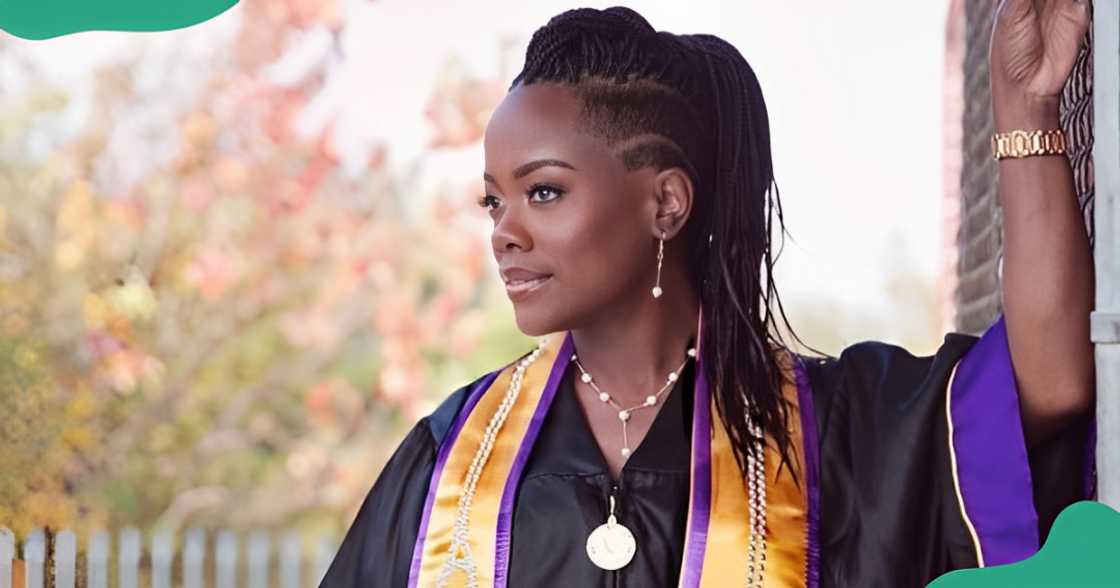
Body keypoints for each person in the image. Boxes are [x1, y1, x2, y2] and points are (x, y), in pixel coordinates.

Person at [321, 2, 1095, 586]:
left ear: (666, 202)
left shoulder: (836, 433)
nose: (504, 232)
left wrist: (1025, 108)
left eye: (544, 192)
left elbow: (1049, 382)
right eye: (494, 201)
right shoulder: (449, 462)